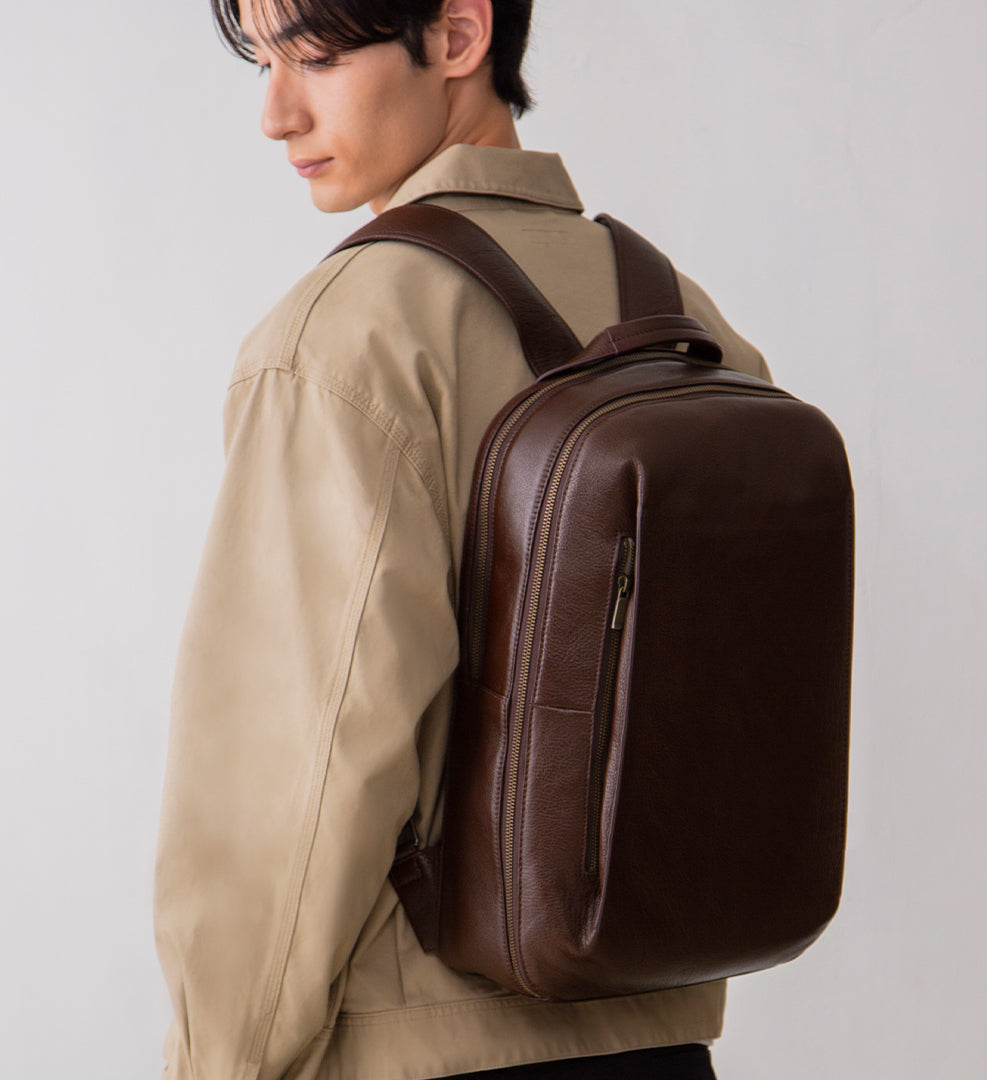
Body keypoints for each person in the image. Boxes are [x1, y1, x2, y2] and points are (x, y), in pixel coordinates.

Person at [153, 2, 772, 1078]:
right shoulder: (695, 324)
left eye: (316, 56)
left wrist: (222, 1064)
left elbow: (296, 775)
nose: (276, 112)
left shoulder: (351, 335)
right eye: (262, 63)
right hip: (661, 1040)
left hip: (417, 1050)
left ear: (458, 34)